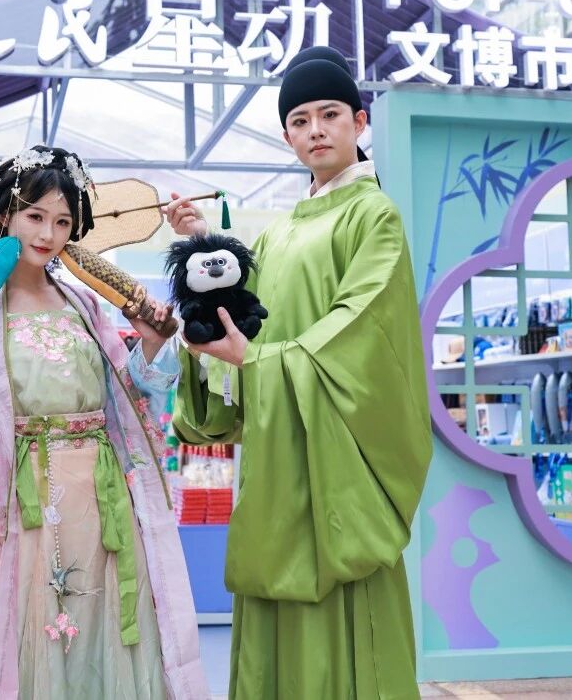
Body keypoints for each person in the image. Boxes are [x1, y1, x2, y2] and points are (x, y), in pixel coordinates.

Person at [0, 145, 207, 699]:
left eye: (62, 222)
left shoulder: (86, 304)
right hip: (24, 512)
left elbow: (133, 400)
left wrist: (152, 344)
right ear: (6, 214)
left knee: (104, 641)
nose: (48, 234)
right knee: (31, 648)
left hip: (101, 506)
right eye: (35, 216)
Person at [166, 46, 433, 699]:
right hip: (275, 457)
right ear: (287, 136)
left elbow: (361, 331)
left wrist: (258, 361)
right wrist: (203, 255)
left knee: (343, 616)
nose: (316, 130)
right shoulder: (279, 233)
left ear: (360, 122)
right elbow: (243, 316)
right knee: (274, 603)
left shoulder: (374, 215)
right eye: (300, 120)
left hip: (337, 464)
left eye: (330, 114)